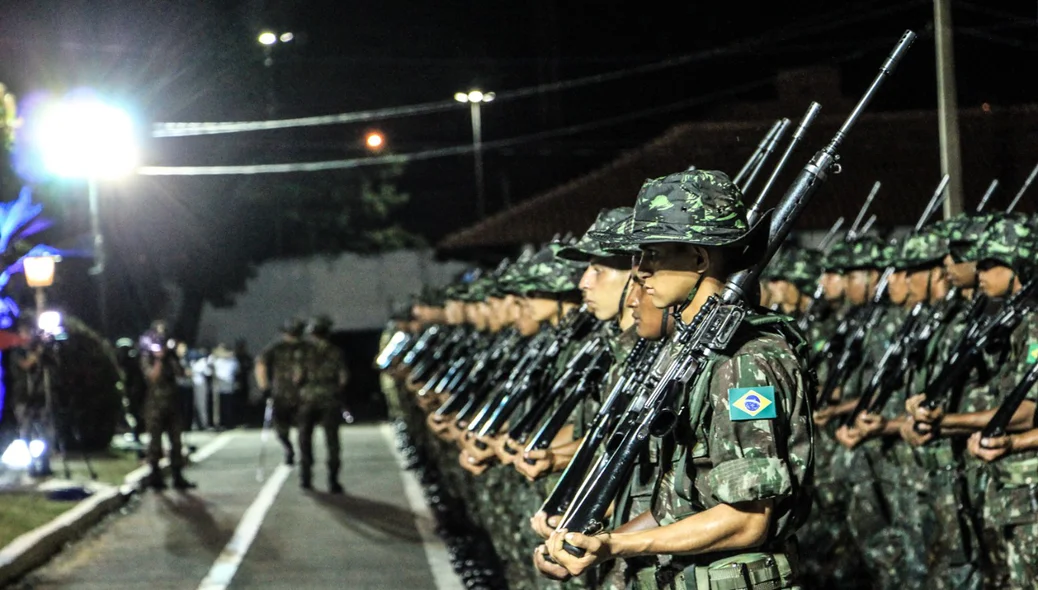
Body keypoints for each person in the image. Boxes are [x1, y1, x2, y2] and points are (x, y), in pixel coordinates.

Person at [538, 169, 814, 589]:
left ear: (700, 260)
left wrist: (617, 546)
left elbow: (746, 520)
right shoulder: (694, 353)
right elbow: (679, 503)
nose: (641, 272)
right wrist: (586, 543)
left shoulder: (744, 362)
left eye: (654, 254)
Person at [294, 315, 349, 492]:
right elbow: (343, 378)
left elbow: (297, 377)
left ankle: (306, 478)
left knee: (305, 439)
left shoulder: (302, 353)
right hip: (329, 398)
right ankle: (333, 480)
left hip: (308, 399)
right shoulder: (336, 352)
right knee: (332, 440)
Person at [140, 326, 195, 490]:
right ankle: (155, 476)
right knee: (155, 443)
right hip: (155, 406)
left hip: (173, 405)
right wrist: (158, 359)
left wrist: (172, 358)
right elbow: (152, 377)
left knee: (176, 442)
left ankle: (178, 475)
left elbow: (181, 374)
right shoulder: (147, 358)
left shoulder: (171, 358)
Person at [255, 318, 306, 465]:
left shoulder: (307, 348)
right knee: (281, 428)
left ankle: (303, 454)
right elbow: (261, 364)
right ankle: (289, 449)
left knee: (304, 427)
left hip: (302, 394)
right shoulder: (277, 348)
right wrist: (264, 387)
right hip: (281, 393)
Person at [209, 343, 240, 428]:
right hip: (218, 385)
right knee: (218, 406)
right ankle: (218, 422)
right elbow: (210, 361)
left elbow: (236, 369)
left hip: (228, 385)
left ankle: (228, 422)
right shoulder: (215, 359)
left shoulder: (232, 360)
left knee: (228, 405)